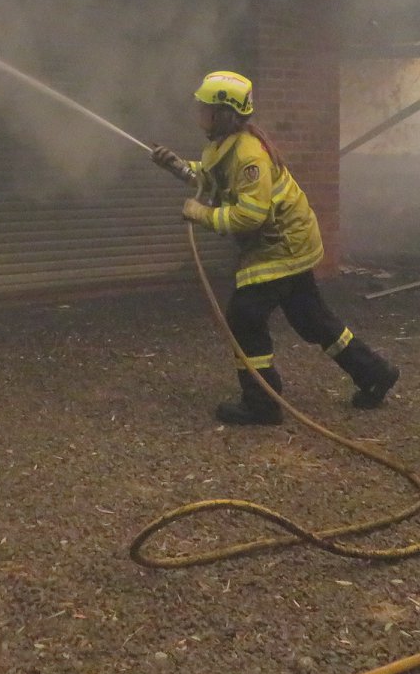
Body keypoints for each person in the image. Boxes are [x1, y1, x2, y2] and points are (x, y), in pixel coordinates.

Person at [152, 70, 399, 425]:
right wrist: (177, 167)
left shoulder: (249, 155)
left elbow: (250, 216)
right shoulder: (226, 144)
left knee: (245, 316)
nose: (199, 113)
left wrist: (201, 214)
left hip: (280, 246)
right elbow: (211, 177)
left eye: (205, 107)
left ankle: (261, 404)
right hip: (287, 242)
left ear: (224, 113)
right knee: (312, 319)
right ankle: (374, 373)